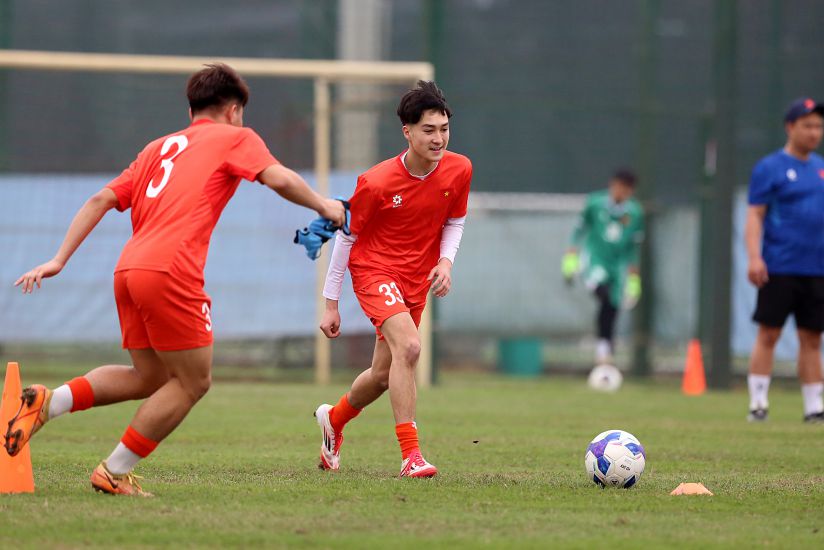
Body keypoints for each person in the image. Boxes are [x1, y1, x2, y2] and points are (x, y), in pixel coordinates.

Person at [5, 63, 346, 495]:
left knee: (148, 377)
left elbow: (100, 199)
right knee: (193, 381)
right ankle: (113, 471)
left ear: (191, 108)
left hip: (128, 270)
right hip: (170, 270)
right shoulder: (236, 136)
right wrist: (324, 206)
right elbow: (276, 176)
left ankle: (49, 402)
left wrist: (59, 258)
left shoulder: (158, 147)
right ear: (235, 109)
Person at [315, 81, 471, 478]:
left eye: (444, 129)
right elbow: (346, 235)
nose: (439, 139)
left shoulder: (460, 168)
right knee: (412, 347)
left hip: (417, 279)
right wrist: (331, 302)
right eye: (429, 130)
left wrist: (446, 262)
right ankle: (411, 455)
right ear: (408, 132)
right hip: (374, 271)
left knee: (383, 376)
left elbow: (455, 219)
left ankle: (334, 420)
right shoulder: (377, 181)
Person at [745, 97, 824, 424]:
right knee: (769, 333)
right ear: (790, 127)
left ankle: (814, 408)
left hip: (816, 268)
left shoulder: (820, 168)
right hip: (778, 265)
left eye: (818, 126)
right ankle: (758, 404)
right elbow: (755, 216)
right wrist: (754, 257)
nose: (814, 132)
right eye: (807, 125)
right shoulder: (769, 167)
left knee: (812, 337)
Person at [562, 169, 644, 365]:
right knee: (604, 294)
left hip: (616, 265)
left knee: (612, 306)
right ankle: (604, 348)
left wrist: (634, 278)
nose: (620, 192)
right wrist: (571, 255)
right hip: (594, 260)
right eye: (618, 186)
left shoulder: (634, 213)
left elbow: (634, 247)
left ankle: (605, 349)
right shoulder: (595, 204)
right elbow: (579, 230)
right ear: (612, 184)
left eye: (625, 189)